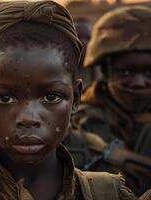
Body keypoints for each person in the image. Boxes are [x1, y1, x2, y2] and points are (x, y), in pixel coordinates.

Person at [0, 1, 136, 199]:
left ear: (75, 98)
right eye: (5, 98)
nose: (28, 117)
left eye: (51, 97)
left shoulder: (109, 193)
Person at [73, 6, 151, 195]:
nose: (139, 83)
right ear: (107, 71)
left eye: (149, 72)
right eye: (125, 72)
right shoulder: (82, 122)